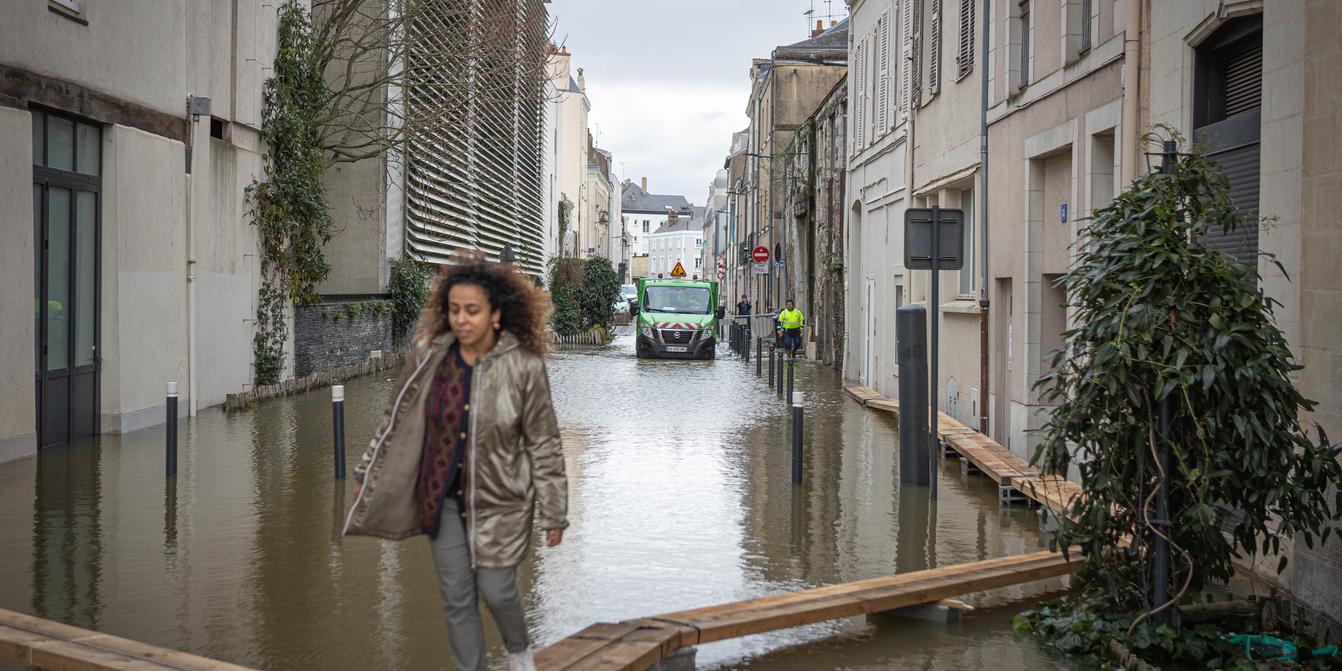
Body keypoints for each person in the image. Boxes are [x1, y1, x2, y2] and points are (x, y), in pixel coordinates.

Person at [345, 257, 567, 671]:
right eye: (454, 310)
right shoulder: (430, 357)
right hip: (441, 498)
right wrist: (365, 472)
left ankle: (519, 652)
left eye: (472, 311)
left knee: (497, 590)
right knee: (457, 597)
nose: (461, 320)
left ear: (496, 314)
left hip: (502, 502)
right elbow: (393, 419)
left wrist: (554, 511)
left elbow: (545, 445)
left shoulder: (524, 367)